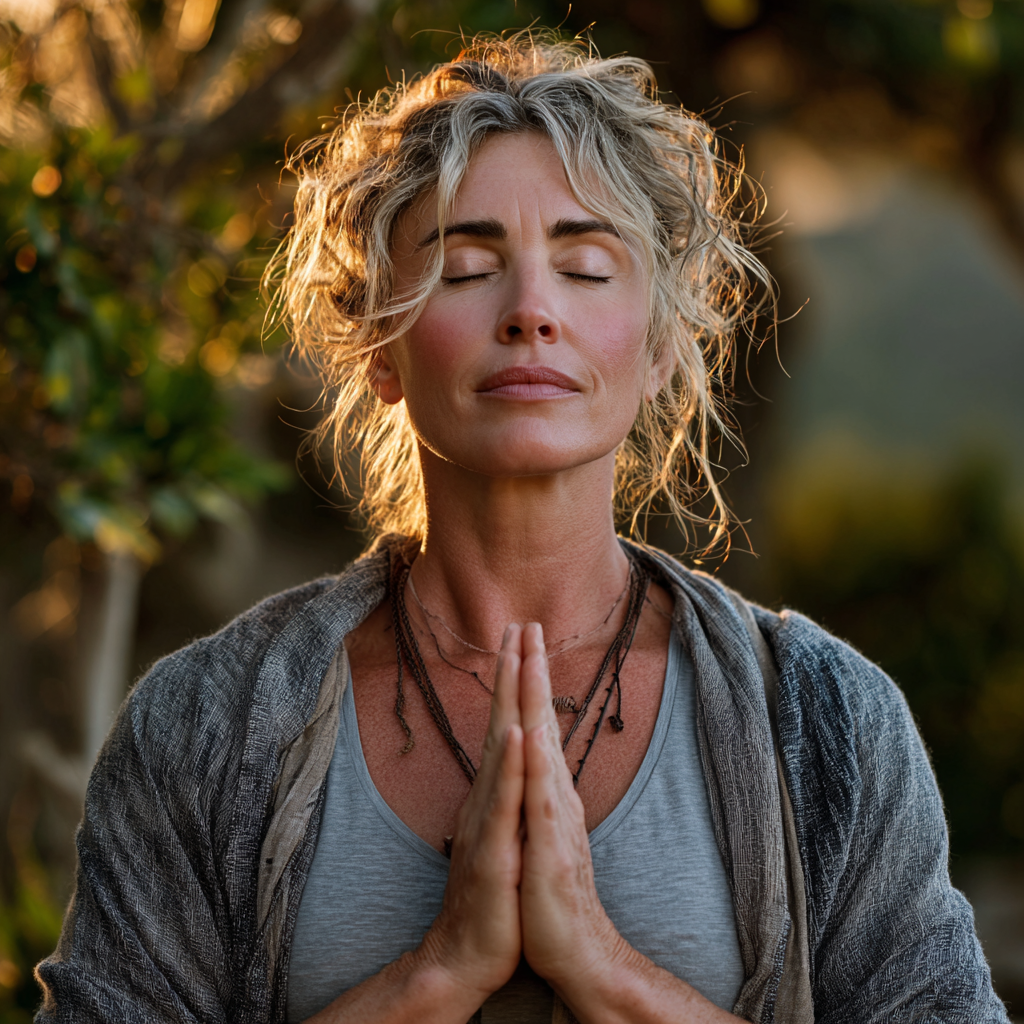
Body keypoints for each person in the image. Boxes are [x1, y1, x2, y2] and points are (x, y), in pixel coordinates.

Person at [36, 32, 1007, 1024]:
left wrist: (604, 969)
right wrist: (436, 974)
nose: (532, 310)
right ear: (378, 340)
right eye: (464, 269)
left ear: (662, 345)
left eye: (586, 268)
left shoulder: (823, 720)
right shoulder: (206, 726)